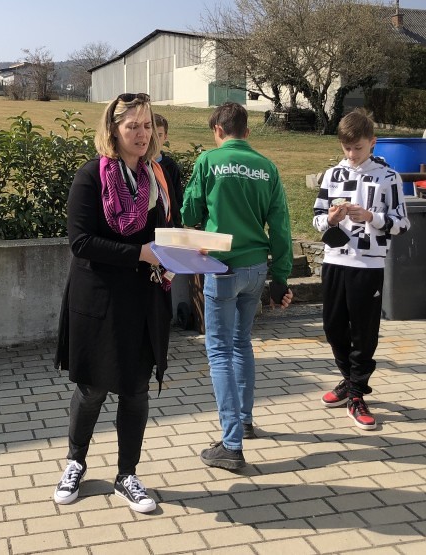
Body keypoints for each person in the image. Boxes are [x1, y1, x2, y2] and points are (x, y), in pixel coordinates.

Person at [53, 92, 173, 513]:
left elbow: (166, 232)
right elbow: (81, 242)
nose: (141, 134)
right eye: (132, 126)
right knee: (93, 388)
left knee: (136, 390)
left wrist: (178, 257)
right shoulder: (91, 175)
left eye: (147, 125)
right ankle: (75, 462)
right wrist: (139, 253)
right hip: (98, 299)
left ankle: (127, 475)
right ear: (113, 130)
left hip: (143, 298)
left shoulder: (157, 176)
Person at [181, 101, 293, 470]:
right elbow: (281, 226)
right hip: (256, 269)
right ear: (246, 132)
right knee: (241, 343)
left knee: (219, 351)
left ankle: (231, 444)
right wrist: (281, 278)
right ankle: (244, 421)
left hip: (222, 268)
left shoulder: (208, 161)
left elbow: (190, 212)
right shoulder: (267, 167)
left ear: (217, 130)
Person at [314, 108, 411, 430]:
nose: (352, 154)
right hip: (334, 259)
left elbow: (402, 224)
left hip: (368, 263)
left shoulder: (388, 177)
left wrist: (371, 217)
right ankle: (350, 380)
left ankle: (356, 393)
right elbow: (317, 218)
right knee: (333, 327)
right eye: (347, 148)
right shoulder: (332, 174)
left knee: (364, 332)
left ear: (373, 142)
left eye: (358, 147)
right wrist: (330, 219)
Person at [154, 113, 184, 227]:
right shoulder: (136, 164)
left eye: (159, 135)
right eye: (152, 134)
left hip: (166, 226)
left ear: (165, 137)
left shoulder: (170, 166)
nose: (155, 139)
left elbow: (177, 200)